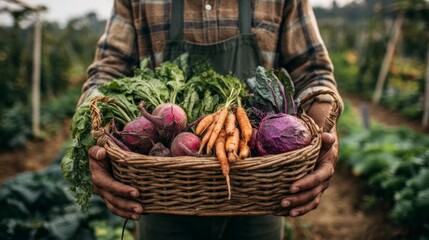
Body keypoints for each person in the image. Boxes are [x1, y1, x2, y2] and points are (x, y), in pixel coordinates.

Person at [81, 0, 343, 239]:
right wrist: (92, 142)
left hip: (261, 192)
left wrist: (322, 140)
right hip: (160, 191)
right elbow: (107, 71)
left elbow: (313, 72)